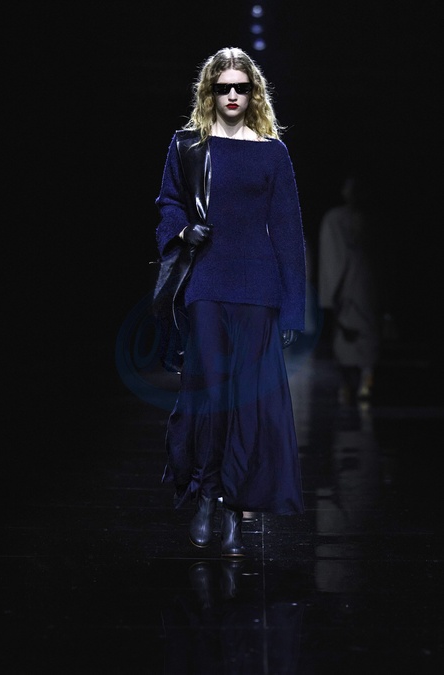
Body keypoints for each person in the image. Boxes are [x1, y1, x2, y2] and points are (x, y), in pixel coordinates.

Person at [154, 47, 306, 557]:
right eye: (224, 88)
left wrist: (293, 307)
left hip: (259, 288)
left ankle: (234, 509)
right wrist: (182, 230)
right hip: (206, 282)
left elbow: (288, 232)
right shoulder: (188, 146)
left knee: (248, 405)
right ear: (210, 92)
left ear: (254, 91)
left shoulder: (272, 153)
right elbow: (169, 203)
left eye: (242, 87)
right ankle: (204, 494)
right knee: (210, 397)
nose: (233, 95)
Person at [318, 174, 383, 403]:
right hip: (347, 285)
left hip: (366, 283)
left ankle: (364, 379)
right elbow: (331, 255)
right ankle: (348, 382)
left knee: (367, 334)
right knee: (346, 336)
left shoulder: (371, 219)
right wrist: (331, 292)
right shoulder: (335, 219)